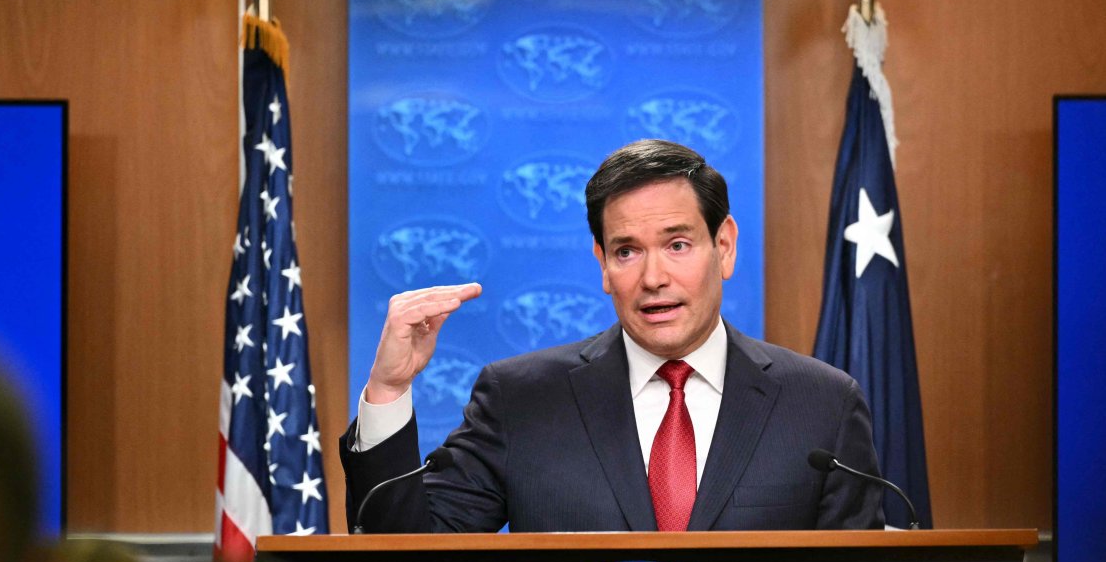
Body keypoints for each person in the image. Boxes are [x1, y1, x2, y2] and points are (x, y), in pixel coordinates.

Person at [340, 139, 884, 533]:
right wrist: (387, 391)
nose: (653, 278)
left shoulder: (821, 404)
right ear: (602, 265)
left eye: (677, 245)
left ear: (724, 247)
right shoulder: (522, 399)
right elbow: (408, 552)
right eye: (627, 251)